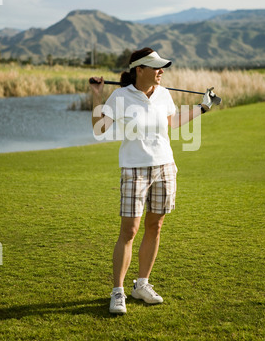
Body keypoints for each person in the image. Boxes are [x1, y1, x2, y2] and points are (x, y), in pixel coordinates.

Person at [89, 47, 215, 314]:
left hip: (165, 166)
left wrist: (203, 108)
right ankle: (118, 291)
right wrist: (96, 95)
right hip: (134, 169)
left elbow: (172, 122)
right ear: (139, 69)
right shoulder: (120, 96)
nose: (161, 71)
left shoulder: (164, 94)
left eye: (162, 67)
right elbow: (100, 129)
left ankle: (142, 284)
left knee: (155, 226)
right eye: (156, 67)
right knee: (129, 231)